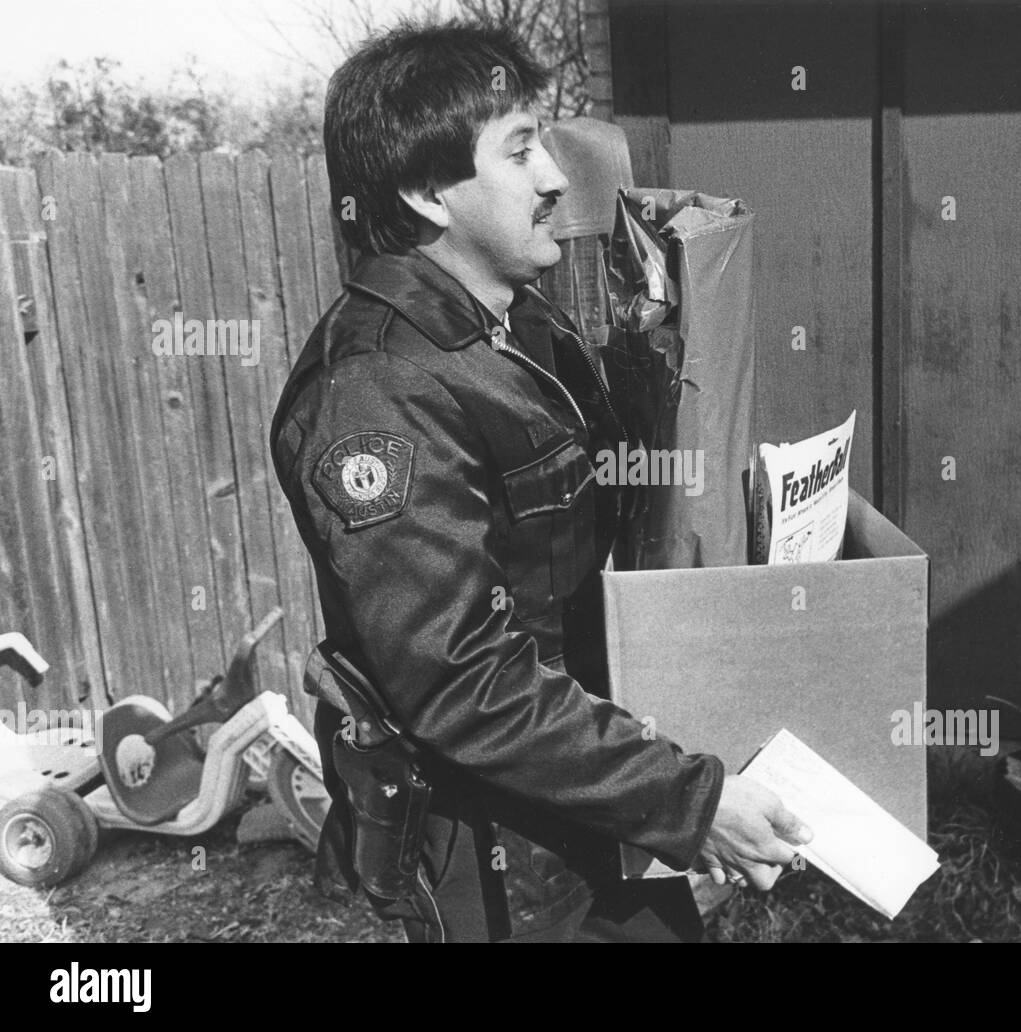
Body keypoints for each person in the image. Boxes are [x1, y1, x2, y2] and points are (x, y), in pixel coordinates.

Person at [269, 18, 809, 943]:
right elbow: (461, 682)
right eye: (520, 152)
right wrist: (686, 802)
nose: (556, 179)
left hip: (597, 783)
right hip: (498, 845)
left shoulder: (524, 327)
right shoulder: (376, 393)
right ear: (424, 193)